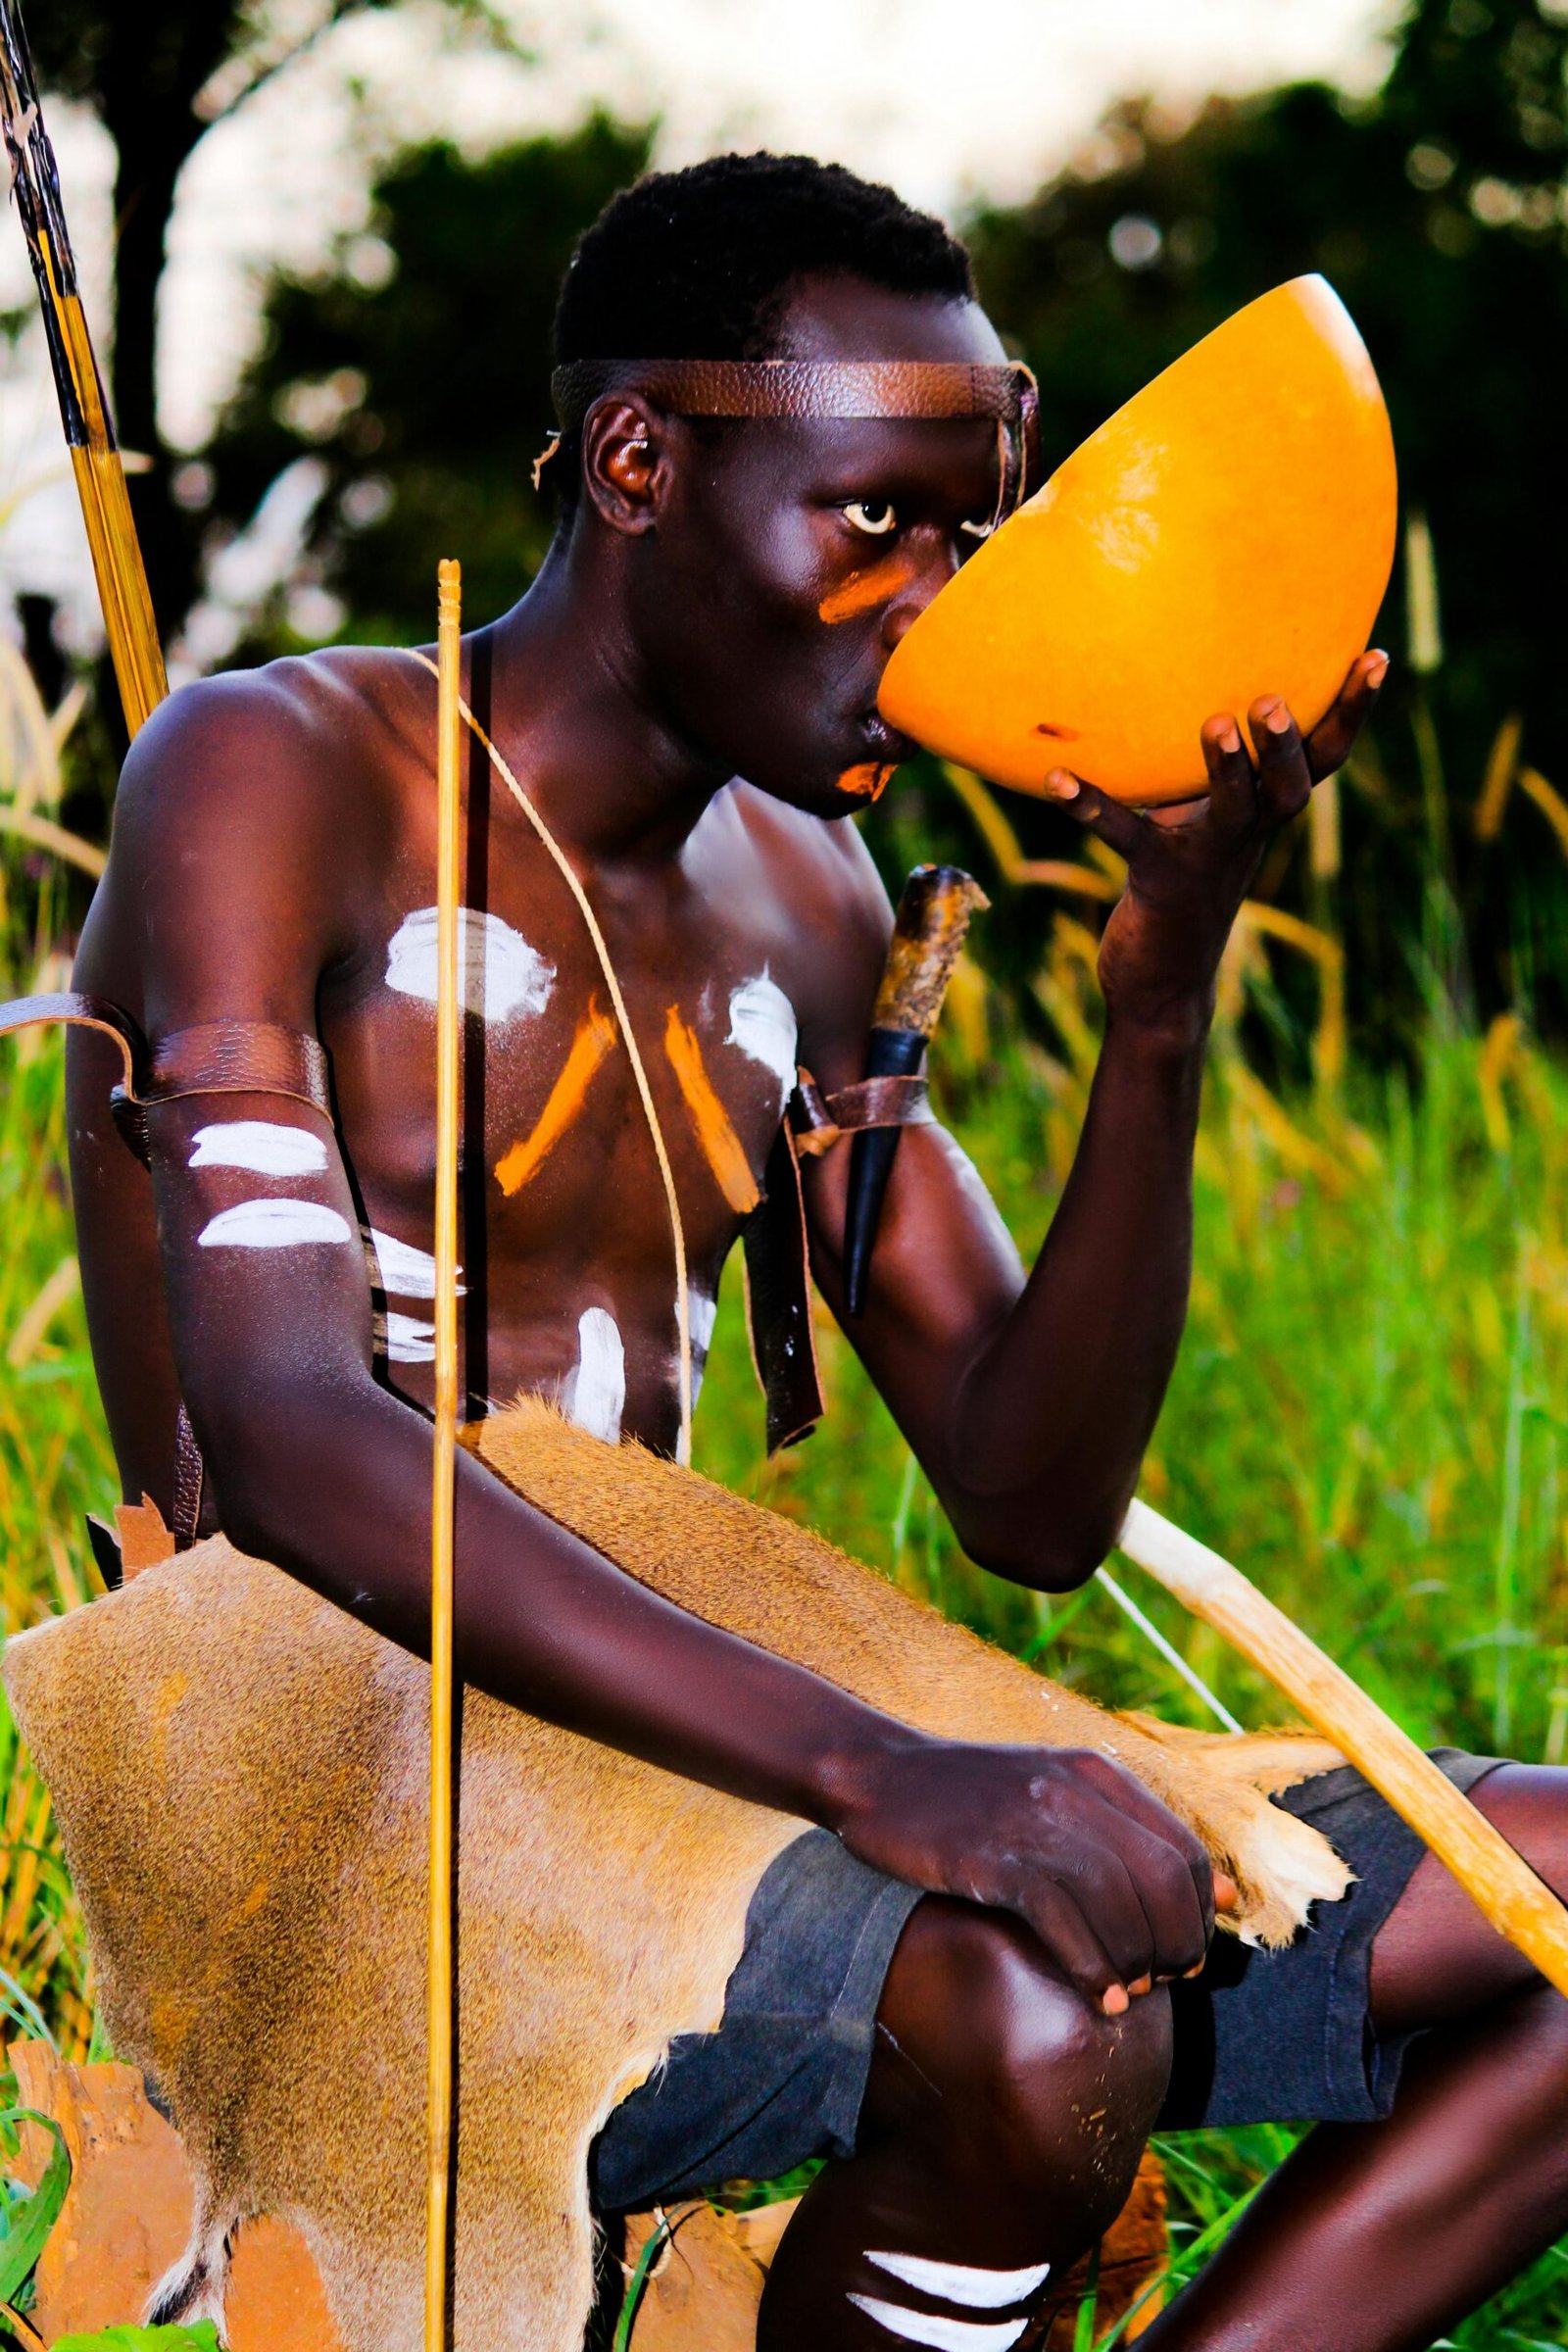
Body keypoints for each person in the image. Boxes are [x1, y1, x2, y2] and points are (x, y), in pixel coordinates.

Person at [62, 153, 1568, 2351]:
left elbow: (1028, 1501)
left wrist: (1158, 991)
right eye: (878, 518)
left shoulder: (810, 898)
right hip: (338, 1801)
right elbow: (284, 1440)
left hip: (699, 1773)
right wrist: (891, 1769)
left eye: (974, 535)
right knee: (1037, 2017)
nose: (938, 601)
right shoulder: (281, 768)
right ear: (639, 462)